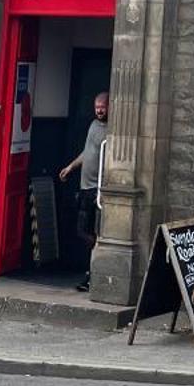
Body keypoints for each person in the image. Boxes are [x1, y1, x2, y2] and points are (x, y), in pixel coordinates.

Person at [57, 91, 109, 292]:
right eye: (97, 107)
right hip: (85, 187)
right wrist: (71, 166)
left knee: (93, 232)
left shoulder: (113, 130)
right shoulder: (94, 125)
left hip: (98, 189)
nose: (99, 110)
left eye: (102, 106)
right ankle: (92, 267)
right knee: (83, 231)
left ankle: (93, 273)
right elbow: (88, 152)